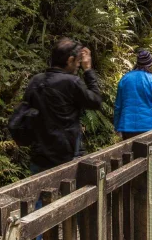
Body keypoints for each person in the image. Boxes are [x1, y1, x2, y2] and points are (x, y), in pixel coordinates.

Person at [24, 38, 102, 174]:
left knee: (41, 192)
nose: (78, 65)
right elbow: (95, 101)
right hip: (66, 155)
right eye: (77, 62)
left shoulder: (36, 81)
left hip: (39, 155)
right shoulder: (72, 82)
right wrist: (88, 70)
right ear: (69, 60)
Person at [114, 49, 152, 139]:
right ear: (150, 64)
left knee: (130, 153)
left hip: (127, 127)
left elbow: (118, 106)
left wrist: (116, 126)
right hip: (151, 127)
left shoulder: (125, 79)